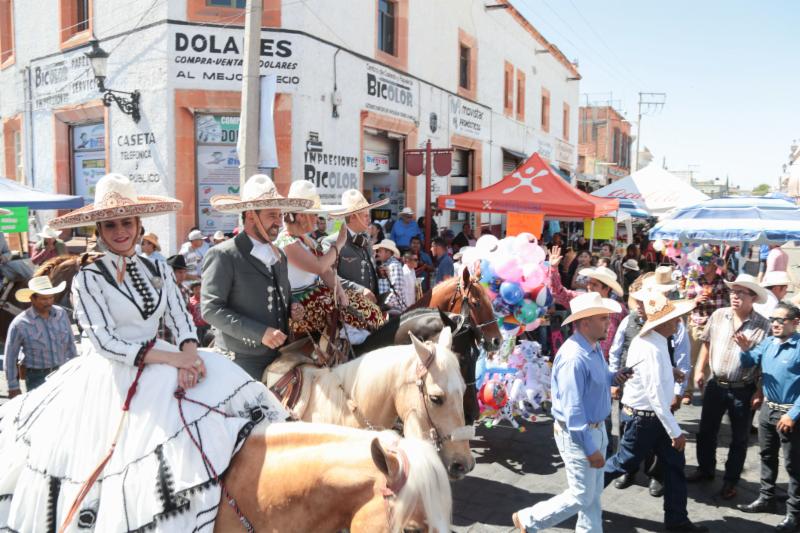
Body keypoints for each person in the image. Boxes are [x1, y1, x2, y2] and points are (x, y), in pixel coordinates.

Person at [0, 173, 288, 531]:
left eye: (126, 222)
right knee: (120, 461)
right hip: (110, 377)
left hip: (165, 359)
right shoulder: (88, 277)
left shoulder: (158, 266)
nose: (120, 231)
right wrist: (175, 359)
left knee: (214, 416)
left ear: (138, 224)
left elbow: (181, 316)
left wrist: (190, 352)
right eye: (110, 225)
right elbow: (105, 343)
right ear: (99, 230)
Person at [512, 292, 630, 532]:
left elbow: (598, 379)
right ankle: (529, 519)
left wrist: (614, 377)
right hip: (580, 434)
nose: (609, 323)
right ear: (585, 323)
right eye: (603, 318)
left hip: (594, 430)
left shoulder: (592, 347)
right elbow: (573, 412)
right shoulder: (574, 358)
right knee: (582, 495)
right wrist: (590, 449)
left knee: (592, 494)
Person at [604, 290, 708, 532]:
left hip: (649, 417)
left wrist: (670, 371)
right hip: (645, 418)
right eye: (673, 318)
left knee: (673, 464)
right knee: (622, 462)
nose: (678, 322)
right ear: (661, 322)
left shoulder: (653, 340)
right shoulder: (651, 345)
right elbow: (656, 396)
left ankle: (677, 521)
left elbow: (650, 370)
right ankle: (580, 496)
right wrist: (675, 432)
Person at [202, 174, 313, 379]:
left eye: (279, 215)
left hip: (281, 353)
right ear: (251, 216)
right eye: (272, 215)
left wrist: (293, 306)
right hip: (241, 359)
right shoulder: (223, 254)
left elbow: (283, 293)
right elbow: (211, 310)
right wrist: (260, 333)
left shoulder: (279, 255)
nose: (278, 222)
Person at [688, 273, 771, 500]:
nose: (735, 296)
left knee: (739, 438)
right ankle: (705, 469)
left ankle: (731, 481)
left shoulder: (763, 325)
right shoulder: (718, 315)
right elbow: (707, 343)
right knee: (706, 431)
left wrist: (759, 390)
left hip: (743, 388)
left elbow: (765, 362)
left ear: (753, 298)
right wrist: (700, 369)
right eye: (733, 291)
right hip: (716, 384)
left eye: (741, 293)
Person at [609, 268, 691, 495]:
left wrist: (675, 384)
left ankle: (658, 479)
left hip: (655, 405)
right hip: (640, 403)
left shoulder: (667, 330)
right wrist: (615, 380)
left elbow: (679, 359)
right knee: (627, 450)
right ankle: (615, 475)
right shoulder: (636, 328)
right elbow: (621, 354)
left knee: (667, 456)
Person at [277, 181, 384, 339]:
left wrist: (340, 291)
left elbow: (325, 271)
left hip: (316, 298)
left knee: (371, 312)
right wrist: (338, 245)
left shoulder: (304, 239)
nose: (317, 219)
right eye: (314, 215)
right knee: (367, 313)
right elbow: (319, 267)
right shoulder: (286, 242)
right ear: (300, 216)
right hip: (299, 306)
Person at [737, 303, 800, 532]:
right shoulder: (768, 342)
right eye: (772, 319)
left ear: (795, 322)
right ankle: (766, 498)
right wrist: (744, 350)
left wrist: (793, 414)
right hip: (768, 410)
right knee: (766, 455)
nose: (774, 323)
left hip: (791, 414)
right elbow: (749, 362)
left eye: (780, 320)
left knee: (794, 464)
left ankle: (794, 513)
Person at [548, 246, 629, 361]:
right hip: (581, 357)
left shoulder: (619, 310)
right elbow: (559, 292)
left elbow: (626, 336)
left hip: (606, 362)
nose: (589, 287)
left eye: (594, 285)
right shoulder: (582, 299)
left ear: (606, 289)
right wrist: (553, 268)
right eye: (589, 283)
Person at [4, 276, 77, 396]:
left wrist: (75, 369)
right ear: (32, 299)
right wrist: (13, 386)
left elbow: (71, 345)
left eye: (51, 297)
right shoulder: (20, 323)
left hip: (63, 372)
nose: (49, 302)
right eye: (44, 299)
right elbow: (10, 357)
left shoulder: (61, 314)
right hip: (37, 378)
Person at [683, 247, 730, 404]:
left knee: (710, 360)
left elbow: (734, 286)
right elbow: (686, 301)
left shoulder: (722, 281)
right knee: (691, 358)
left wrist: (725, 268)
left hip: (716, 326)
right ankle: (688, 391)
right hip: (697, 323)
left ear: (714, 265)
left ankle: (704, 390)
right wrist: (696, 300)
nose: (702, 266)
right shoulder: (696, 280)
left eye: (706, 263)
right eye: (701, 263)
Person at [324, 189, 389, 302]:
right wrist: (359, 290)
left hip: (371, 305)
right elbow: (326, 276)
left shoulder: (365, 239)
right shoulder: (331, 242)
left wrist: (378, 272)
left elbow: (364, 269)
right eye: (366, 216)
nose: (369, 219)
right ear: (353, 217)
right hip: (347, 307)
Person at [375, 239, 407, 316]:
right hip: (387, 308)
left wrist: (385, 304)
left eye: (380, 251)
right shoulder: (387, 265)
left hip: (393, 309)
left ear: (388, 252)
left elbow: (397, 289)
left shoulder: (395, 265)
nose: (377, 253)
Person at [187, 281, 211, 346]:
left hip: (208, 325)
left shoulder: (207, 299)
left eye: (200, 288)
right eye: (196, 289)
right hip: (196, 327)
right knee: (198, 344)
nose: (198, 291)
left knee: (208, 344)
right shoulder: (190, 301)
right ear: (193, 291)